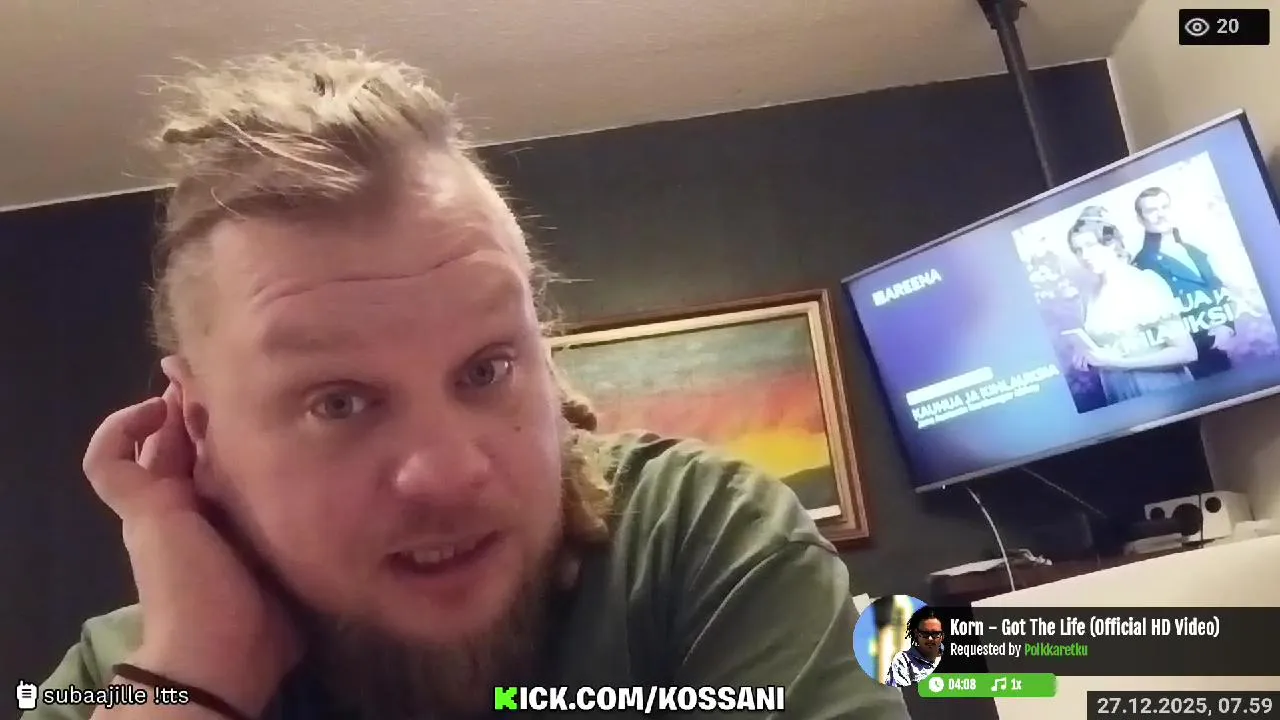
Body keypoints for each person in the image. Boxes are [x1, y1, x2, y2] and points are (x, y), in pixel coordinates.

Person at [24, 46, 910, 720]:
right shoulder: (119, 677)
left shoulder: (696, 542)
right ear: (198, 427)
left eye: (487, 370)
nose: (448, 473)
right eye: (339, 402)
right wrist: (194, 680)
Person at [1065, 207, 1197, 405]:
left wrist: (1119, 363)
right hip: (1119, 395)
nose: (1084, 255)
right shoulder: (1088, 295)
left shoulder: (1145, 283)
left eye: (1090, 245)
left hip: (1162, 394)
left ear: (1111, 243)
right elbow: (1107, 348)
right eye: (1077, 250)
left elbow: (1186, 352)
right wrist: (1087, 354)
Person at [1131, 186, 1235, 379]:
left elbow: (1218, 290)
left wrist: (1226, 327)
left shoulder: (1194, 251)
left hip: (1219, 353)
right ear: (1140, 219)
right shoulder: (1142, 264)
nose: (1161, 214)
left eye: (1165, 207)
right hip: (1187, 366)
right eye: (1152, 210)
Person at [884, 607, 943, 688]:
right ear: (916, 633)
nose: (930, 638)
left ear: (943, 635)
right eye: (925, 633)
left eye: (935, 634)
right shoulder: (903, 661)